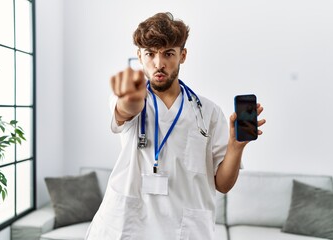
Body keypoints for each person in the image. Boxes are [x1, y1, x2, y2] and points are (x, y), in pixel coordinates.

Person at [85, 12, 265, 240]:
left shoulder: (208, 112)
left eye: (168, 54)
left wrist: (236, 147)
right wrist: (130, 97)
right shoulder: (132, 96)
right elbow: (126, 108)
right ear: (139, 55)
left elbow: (223, 184)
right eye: (150, 54)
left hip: (183, 230)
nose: (159, 64)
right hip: (128, 226)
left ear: (183, 55)